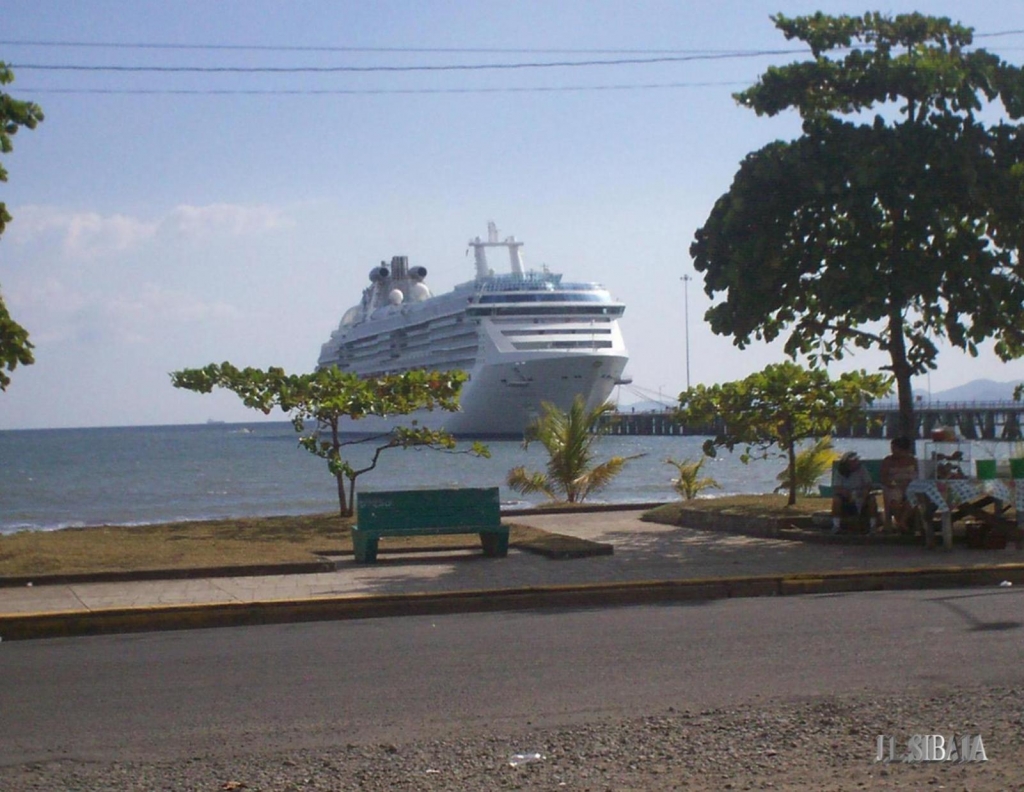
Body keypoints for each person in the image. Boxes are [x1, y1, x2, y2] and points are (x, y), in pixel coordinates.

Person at [831, 451, 878, 533]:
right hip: (846, 497)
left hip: (861, 494)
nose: (855, 462)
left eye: (856, 460)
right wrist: (847, 494)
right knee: (836, 500)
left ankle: (873, 526)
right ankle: (836, 526)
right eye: (853, 461)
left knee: (872, 500)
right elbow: (837, 487)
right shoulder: (840, 471)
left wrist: (864, 494)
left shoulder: (861, 469)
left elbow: (868, 484)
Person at [879, 436, 918, 532]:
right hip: (893, 486)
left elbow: (918, 476)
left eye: (895, 449)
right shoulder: (888, 461)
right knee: (894, 501)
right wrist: (891, 484)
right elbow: (883, 478)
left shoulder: (912, 460)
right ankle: (900, 522)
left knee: (913, 498)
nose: (893, 451)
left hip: (910, 486)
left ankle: (902, 522)